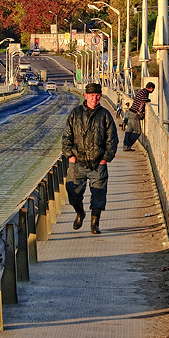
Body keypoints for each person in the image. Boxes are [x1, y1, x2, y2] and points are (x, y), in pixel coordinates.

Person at [62, 82, 118, 234]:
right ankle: (80, 213)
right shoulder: (75, 113)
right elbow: (67, 136)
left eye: (97, 95)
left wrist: (106, 158)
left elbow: (112, 139)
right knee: (73, 193)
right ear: (85, 96)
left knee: (98, 194)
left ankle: (95, 223)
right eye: (92, 95)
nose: (95, 98)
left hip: (98, 163)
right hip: (77, 162)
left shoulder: (105, 115)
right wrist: (70, 155)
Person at [123, 81, 156, 150]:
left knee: (129, 130)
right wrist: (148, 100)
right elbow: (143, 100)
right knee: (138, 132)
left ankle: (125, 146)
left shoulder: (141, 91)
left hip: (130, 112)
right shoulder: (145, 92)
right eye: (153, 89)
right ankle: (128, 145)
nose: (153, 91)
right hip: (134, 114)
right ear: (151, 88)